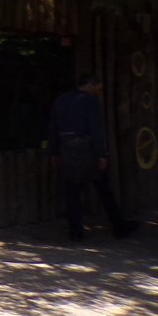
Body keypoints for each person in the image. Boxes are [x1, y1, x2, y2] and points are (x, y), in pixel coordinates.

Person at [47, 74, 138, 241]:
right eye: (96, 88)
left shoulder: (60, 100)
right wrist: (101, 154)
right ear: (90, 85)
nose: (97, 91)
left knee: (72, 191)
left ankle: (75, 231)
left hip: (66, 148)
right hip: (87, 149)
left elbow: (53, 128)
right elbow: (97, 130)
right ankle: (118, 226)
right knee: (103, 188)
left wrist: (54, 152)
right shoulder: (91, 101)